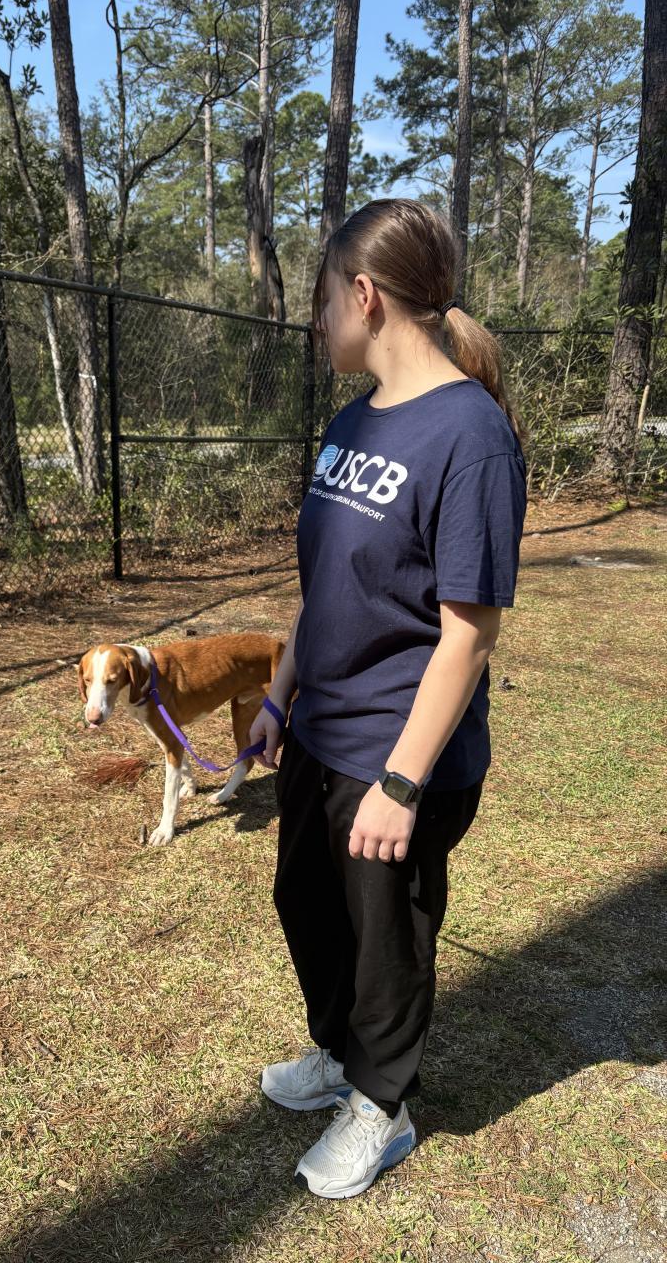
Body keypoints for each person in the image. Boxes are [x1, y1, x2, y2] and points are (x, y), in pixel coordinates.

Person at [246, 198, 528, 1200]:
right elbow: (326, 583)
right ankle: (338, 1053)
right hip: (319, 730)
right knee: (306, 903)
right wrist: (278, 695)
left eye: (324, 301)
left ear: (364, 295)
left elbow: (469, 632)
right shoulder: (352, 421)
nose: (318, 322)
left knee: (387, 942)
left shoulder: (471, 435)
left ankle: (382, 1102)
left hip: (397, 753)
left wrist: (401, 783)